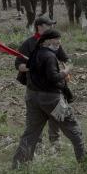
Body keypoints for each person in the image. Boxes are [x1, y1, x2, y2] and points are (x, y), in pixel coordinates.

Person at [12, 29, 86, 167]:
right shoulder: (50, 57)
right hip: (53, 101)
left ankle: (18, 167)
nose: (59, 42)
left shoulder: (35, 54)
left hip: (33, 97)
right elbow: (53, 77)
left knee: (31, 134)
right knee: (74, 130)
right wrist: (65, 72)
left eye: (59, 39)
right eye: (56, 39)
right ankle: (86, 164)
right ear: (46, 40)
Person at [16, 16, 69, 147]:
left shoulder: (53, 42)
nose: (51, 27)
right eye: (48, 25)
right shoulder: (28, 44)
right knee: (35, 119)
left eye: (52, 25)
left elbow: (65, 59)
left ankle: (55, 141)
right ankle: (37, 144)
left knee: (57, 114)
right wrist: (33, 66)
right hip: (35, 88)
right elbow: (19, 65)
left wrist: (66, 71)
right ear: (39, 27)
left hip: (54, 87)